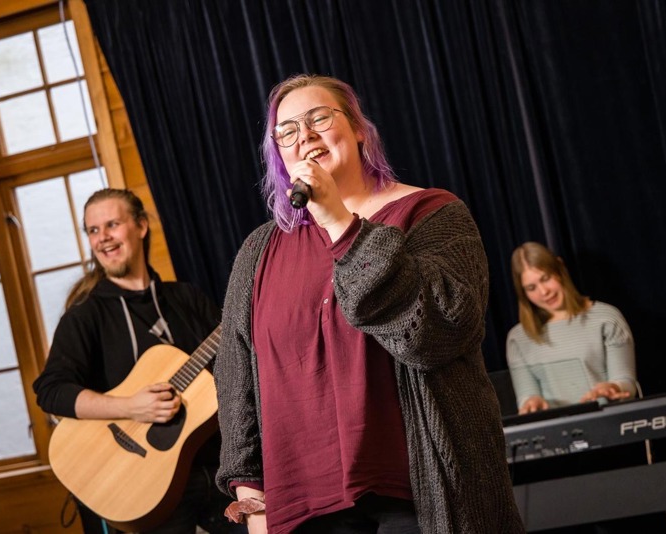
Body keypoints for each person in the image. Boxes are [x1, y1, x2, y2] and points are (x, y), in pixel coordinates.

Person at [213, 74, 524, 534]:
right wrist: (249, 494)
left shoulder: (431, 214)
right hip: (304, 507)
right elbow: (236, 373)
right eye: (288, 131)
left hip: (419, 495)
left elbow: (434, 333)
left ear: (359, 129)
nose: (306, 137)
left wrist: (341, 223)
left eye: (319, 118)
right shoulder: (260, 251)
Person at [33, 188, 242, 534]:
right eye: (93, 230)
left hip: (222, 473)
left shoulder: (185, 298)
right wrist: (130, 407)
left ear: (141, 226)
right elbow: (51, 391)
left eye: (112, 225)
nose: (103, 239)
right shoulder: (86, 315)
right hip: (147, 486)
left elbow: (236, 361)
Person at [506, 241, 638, 414]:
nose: (543, 292)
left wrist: (612, 387)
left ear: (560, 269)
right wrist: (532, 402)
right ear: (523, 294)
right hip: (556, 436)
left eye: (545, 279)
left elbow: (627, 382)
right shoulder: (518, 338)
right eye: (531, 288)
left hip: (607, 423)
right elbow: (527, 396)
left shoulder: (606, 318)